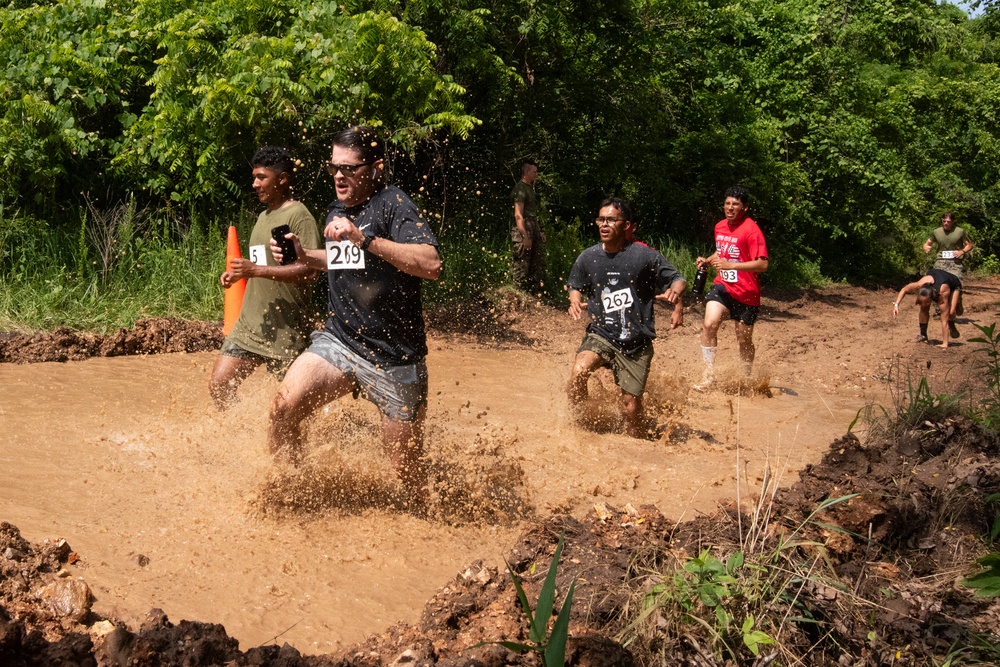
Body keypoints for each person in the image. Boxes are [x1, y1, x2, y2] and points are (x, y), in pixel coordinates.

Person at [267, 126, 441, 506]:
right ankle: (290, 493)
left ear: (375, 168)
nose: (339, 177)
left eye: (349, 169)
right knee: (283, 407)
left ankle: (431, 522)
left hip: (395, 358)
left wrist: (364, 238)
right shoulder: (337, 209)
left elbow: (431, 264)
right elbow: (341, 261)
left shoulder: (395, 204)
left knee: (406, 474)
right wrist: (302, 255)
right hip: (340, 340)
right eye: (334, 169)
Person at [209, 146, 321, 409]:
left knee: (297, 405)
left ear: (282, 179)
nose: (255, 184)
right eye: (254, 177)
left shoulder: (299, 215)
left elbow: (311, 272)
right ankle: (245, 434)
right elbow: (261, 263)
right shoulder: (263, 216)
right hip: (251, 323)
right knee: (219, 385)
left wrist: (255, 271)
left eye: (262, 177)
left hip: (287, 329)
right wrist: (238, 274)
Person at [566, 197, 686, 437]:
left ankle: (637, 445)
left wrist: (676, 295)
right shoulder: (588, 257)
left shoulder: (645, 256)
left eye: (611, 220)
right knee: (579, 372)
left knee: (630, 409)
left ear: (629, 226)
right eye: (601, 219)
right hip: (601, 333)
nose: (604, 224)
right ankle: (582, 424)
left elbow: (678, 278)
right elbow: (575, 284)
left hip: (635, 341)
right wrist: (574, 299)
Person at [694, 185, 769, 392]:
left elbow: (762, 264)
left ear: (744, 207)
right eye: (727, 203)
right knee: (709, 324)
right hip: (723, 287)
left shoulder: (752, 230)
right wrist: (707, 260)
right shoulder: (720, 227)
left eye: (735, 204)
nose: (730, 207)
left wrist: (732, 266)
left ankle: (745, 378)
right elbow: (723, 252)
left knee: (743, 339)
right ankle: (708, 375)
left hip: (747, 293)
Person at [923, 211, 972, 335]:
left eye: (949, 222)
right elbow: (928, 243)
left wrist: (961, 251)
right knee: (936, 287)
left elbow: (969, 245)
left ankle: (956, 306)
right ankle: (941, 312)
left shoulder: (960, 232)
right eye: (944, 221)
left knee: (956, 286)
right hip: (940, 262)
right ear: (942, 220)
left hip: (955, 263)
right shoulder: (936, 232)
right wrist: (926, 247)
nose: (946, 223)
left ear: (953, 222)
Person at [892, 269, 959, 348]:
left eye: (927, 302)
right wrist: (896, 305)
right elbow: (904, 289)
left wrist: (945, 344)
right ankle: (923, 335)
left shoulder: (942, 293)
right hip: (935, 275)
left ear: (932, 298)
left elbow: (944, 321)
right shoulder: (919, 284)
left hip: (953, 284)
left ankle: (952, 320)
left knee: (949, 314)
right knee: (924, 308)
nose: (924, 303)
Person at [511, 159, 546, 292]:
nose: (536, 174)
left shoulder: (529, 189)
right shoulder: (520, 189)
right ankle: (517, 296)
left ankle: (534, 296)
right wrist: (524, 236)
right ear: (526, 171)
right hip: (524, 228)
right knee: (522, 265)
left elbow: (533, 214)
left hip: (533, 227)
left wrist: (539, 232)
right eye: (534, 171)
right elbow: (518, 215)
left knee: (537, 264)